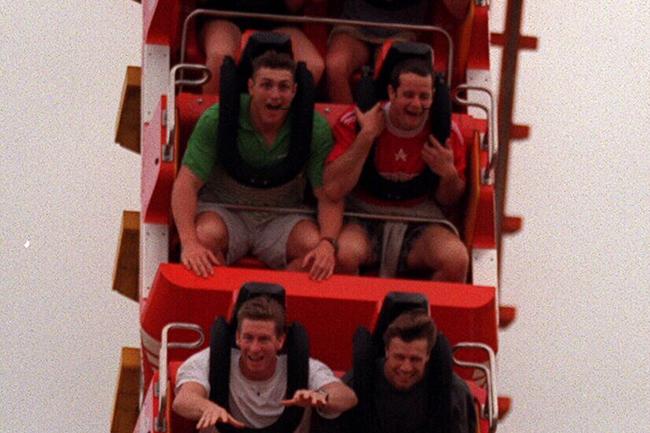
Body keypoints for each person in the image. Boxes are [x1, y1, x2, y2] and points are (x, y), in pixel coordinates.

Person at [171, 50, 340, 280]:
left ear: (294, 91)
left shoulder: (314, 128)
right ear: (251, 87)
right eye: (266, 85)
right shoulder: (216, 119)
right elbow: (186, 184)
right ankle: (226, 299)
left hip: (281, 214)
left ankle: (272, 300)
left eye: (283, 87)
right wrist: (189, 243)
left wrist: (327, 244)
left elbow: (327, 194)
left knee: (315, 250)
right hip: (225, 209)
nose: (275, 95)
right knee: (203, 237)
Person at [324, 58, 469, 281]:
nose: (416, 105)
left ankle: (420, 315)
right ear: (392, 93)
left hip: (420, 218)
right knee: (343, 255)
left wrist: (447, 173)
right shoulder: (355, 122)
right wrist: (366, 137)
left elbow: (449, 200)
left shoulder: (447, 133)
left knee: (456, 259)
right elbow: (333, 189)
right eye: (408, 95)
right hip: (364, 214)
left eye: (424, 97)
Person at [173, 296, 358, 432]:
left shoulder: (304, 367)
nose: (254, 348)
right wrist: (207, 407)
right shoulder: (207, 361)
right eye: (248, 338)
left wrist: (322, 397)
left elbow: (347, 397)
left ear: (280, 341)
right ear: (237, 338)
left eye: (263, 339)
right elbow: (183, 400)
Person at [318, 309, 476, 433]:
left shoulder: (453, 392)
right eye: (399, 357)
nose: (406, 367)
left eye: (415, 359)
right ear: (387, 351)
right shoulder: (353, 385)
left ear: (428, 356)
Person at [326, 0, 471, 103]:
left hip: (402, 31)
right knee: (335, 66)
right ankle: (347, 132)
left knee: (388, 69)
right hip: (354, 25)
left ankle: (383, 133)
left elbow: (459, 11)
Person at [196, 0, 324, 93]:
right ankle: (211, 123)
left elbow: (293, 5)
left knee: (312, 66)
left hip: (279, 19)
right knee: (220, 57)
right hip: (223, 15)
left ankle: (288, 125)